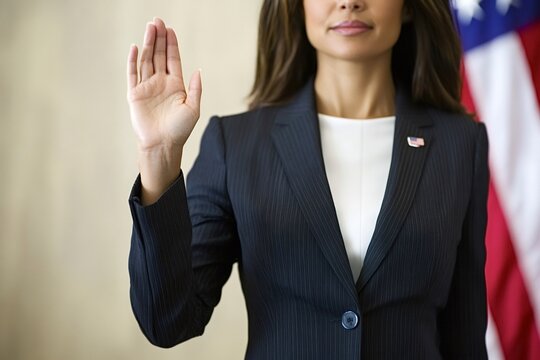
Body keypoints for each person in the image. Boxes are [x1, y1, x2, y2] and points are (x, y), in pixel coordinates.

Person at [126, 0, 489, 358]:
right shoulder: (234, 145)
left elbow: (465, 339)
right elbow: (168, 321)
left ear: (409, 6)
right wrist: (159, 155)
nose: (349, 3)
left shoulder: (460, 145)